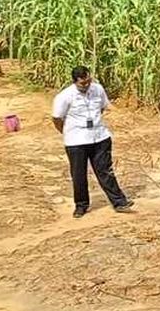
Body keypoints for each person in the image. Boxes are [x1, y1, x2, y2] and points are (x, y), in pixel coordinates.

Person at [51, 66, 133, 218]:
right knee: (79, 175)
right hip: (76, 141)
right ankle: (81, 206)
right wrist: (67, 132)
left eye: (88, 81)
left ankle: (119, 202)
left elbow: (102, 107)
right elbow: (56, 119)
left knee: (106, 171)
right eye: (83, 83)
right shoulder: (65, 96)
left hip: (100, 137)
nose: (86, 85)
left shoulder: (97, 89)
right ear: (75, 82)